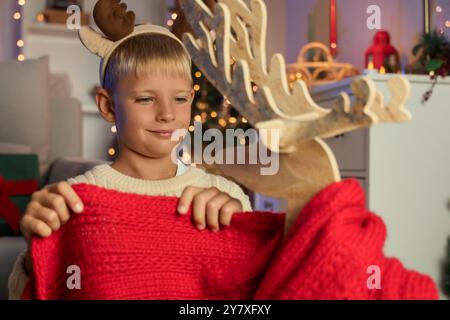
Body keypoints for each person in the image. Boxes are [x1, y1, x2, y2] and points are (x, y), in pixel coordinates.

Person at [8, 23, 252, 300]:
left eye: (180, 99)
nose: (167, 114)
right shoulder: (73, 202)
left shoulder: (227, 197)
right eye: (146, 99)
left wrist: (239, 235)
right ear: (108, 106)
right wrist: (36, 253)